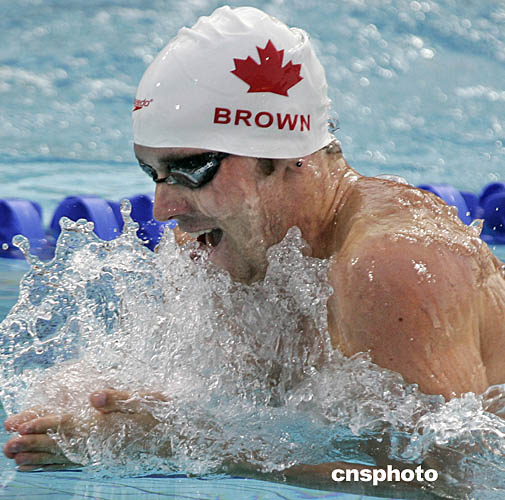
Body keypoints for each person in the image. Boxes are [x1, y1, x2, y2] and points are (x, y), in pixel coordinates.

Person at [3, 5, 505, 492]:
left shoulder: (392, 265)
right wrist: (99, 409)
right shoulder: (223, 245)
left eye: (191, 169)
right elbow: (251, 405)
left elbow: (440, 480)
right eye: (153, 173)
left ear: (287, 156)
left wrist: (193, 450)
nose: (164, 209)